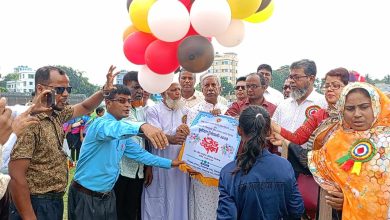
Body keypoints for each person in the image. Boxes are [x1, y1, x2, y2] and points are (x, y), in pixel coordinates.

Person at [8, 65, 121, 220]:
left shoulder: (56, 115)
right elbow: (17, 177)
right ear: (40, 89)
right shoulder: (29, 122)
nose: (66, 94)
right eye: (60, 90)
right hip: (35, 203)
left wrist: (104, 92)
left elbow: (85, 106)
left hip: (53, 202)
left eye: (68, 89)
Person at [68, 84, 178, 220]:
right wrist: (143, 126)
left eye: (129, 101)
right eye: (121, 101)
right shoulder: (100, 125)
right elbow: (114, 128)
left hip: (107, 195)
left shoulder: (123, 136)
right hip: (87, 196)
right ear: (108, 103)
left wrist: (172, 163)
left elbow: (142, 155)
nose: (127, 105)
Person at [308, 82, 390, 219]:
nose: (357, 114)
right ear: (342, 110)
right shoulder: (334, 141)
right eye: (350, 108)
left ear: (376, 105)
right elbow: (329, 179)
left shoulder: (387, 141)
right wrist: (342, 199)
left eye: (364, 107)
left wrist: (352, 201)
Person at [217, 106, 304, 219]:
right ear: (268, 131)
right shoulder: (284, 166)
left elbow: (226, 217)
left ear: (239, 130)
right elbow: (296, 209)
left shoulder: (229, 172)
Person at [142, 82, 191, 220]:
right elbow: (155, 135)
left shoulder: (186, 111)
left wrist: (186, 132)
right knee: (158, 199)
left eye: (179, 90)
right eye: (173, 90)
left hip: (180, 165)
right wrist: (173, 138)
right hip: (160, 161)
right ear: (164, 93)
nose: (178, 93)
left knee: (179, 197)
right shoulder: (153, 111)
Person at [184, 73, 228, 220]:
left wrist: (221, 118)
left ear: (219, 88)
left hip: (221, 169)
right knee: (201, 207)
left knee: (221, 203)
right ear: (201, 90)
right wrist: (210, 119)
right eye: (206, 86)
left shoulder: (227, 110)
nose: (210, 88)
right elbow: (192, 139)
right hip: (201, 167)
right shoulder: (194, 111)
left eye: (213, 85)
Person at [272, 67, 349, 146]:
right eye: (326, 86)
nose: (329, 89)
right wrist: (272, 125)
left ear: (347, 88)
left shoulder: (352, 114)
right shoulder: (320, 114)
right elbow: (297, 138)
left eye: (335, 85)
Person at [114, 71, 152, 220]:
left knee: (132, 211)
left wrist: (148, 166)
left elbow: (145, 142)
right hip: (120, 171)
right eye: (136, 87)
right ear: (125, 86)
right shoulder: (117, 113)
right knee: (117, 211)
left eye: (141, 88)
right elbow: (143, 132)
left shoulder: (141, 111)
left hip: (138, 171)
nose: (140, 91)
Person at [272, 59, 327, 149]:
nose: (291, 81)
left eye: (296, 77)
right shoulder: (283, 105)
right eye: (291, 77)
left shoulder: (323, 104)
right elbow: (274, 129)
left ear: (311, 78)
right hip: (282, 158)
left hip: (308, 160)